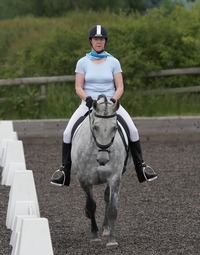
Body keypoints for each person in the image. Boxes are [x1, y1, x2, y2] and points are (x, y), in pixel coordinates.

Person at [51, 24, 157, 187]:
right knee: (67, 133)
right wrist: (87, 99)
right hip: (89, 104)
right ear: (91, 41)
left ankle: (141, 167)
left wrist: (114, 100)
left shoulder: (114, 62)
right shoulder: (82, 62)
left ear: (105, 41)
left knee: (133, 130)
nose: (98, 42)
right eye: (95, 39)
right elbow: (78, 87)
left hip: (111, 104)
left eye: (101, 39)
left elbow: (120, 86)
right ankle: (64, 171)